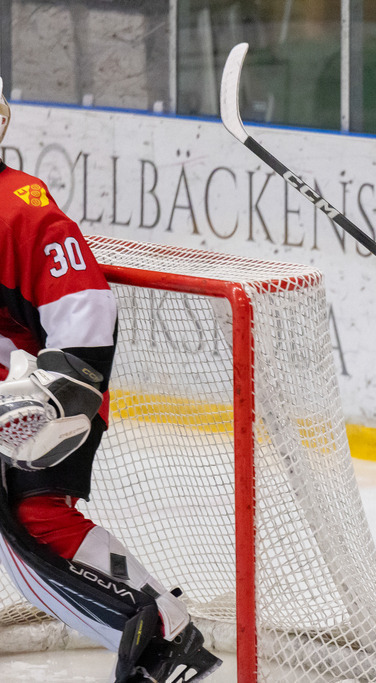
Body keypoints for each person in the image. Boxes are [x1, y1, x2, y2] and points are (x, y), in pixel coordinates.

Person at [0, 83, 221, 683]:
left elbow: (85, 305)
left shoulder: (20, 209)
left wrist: (59, 394)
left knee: (33, 521)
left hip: (33, 406)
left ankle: (164, 632)